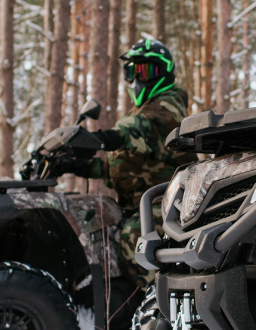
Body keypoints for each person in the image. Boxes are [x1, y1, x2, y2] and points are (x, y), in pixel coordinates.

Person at [50, 39, 195, 285]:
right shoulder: (139, 111)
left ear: (164, 72)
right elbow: (119, 168)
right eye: (132, 72)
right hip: (140, 205)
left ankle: (155, 302)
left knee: (133, 236)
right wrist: (73, 165)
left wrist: (100, 140)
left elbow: (137, 130)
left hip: (170, 205)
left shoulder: (169, 105)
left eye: (146, 71)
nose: (138, 79)